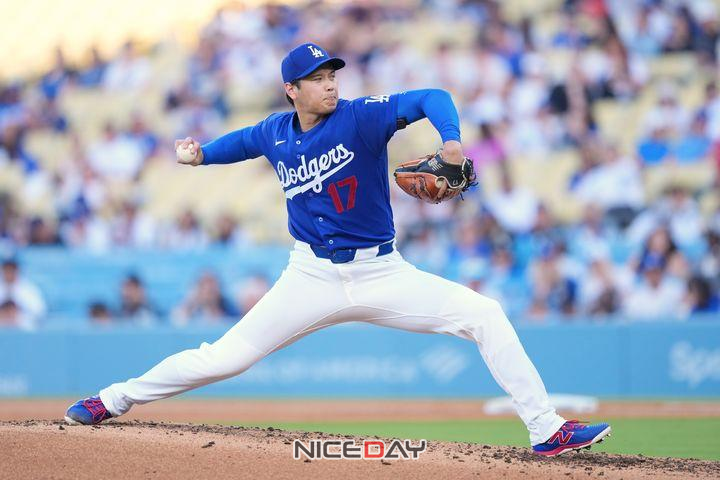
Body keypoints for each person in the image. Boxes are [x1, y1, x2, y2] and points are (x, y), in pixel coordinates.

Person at [64, 42, 610, 456]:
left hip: (382, 272)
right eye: (317, 79)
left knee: (485, 314)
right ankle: (111, 399)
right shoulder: (276, 131)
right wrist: (202, 154)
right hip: (310, 277)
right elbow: (242, 142)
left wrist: (450, 142)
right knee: (224, 358)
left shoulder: (360, 116)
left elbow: (431, 97)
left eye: (332, 76)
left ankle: (546, 429)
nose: (329, 85)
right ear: (292, 90)